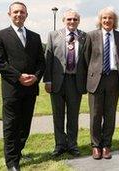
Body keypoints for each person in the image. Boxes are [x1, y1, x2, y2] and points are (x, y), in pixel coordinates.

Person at [0, 2, 45, 170]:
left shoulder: (35, 37)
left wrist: (36, 77)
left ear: (26, 15)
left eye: (22, 12)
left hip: (30, 88)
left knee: (25, 125)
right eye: (15, 12)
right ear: (9, 14)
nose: (19, 15)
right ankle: (12, 162)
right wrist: (18, 76)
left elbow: (41, 62)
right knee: (11, 125)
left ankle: (18, 151)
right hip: (12, 88)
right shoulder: (0, 35)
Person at [84, 6, 119, 159]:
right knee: (95, 114)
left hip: (114, 79)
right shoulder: (91, 35)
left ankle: (107, 145)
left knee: (110, 114)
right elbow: (86, 58)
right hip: (96, 79)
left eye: (110, 18)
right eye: (104, 18)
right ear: (100, 20)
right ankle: (96, 146)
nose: (107, 20)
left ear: (114, 21)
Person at [43, 9, 87, 157]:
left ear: (78, 21)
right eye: (69, 19)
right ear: (63, 21)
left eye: (75, 19)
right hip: (57, 82)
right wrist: (47, 80)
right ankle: (60, 145)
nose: (72, 22)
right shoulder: (53, 35)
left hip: (76, 82)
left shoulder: (84, 37)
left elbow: (87, 61)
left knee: (73, 116)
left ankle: (72, 145)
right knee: (58, 115)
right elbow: (48, 59)